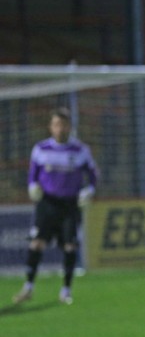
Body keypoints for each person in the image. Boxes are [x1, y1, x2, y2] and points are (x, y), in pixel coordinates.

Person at [13, 107, 98, 305]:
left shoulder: (81, 150)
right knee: (36, 244)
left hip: (70, 204)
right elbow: (32, 174)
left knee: (70, 246)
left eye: (64, 125)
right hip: (47, 203)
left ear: (70, 127)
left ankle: (66, 290)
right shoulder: (41, 149)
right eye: (57, 125)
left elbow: (93, 174)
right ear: (50, 127)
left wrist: (90, 190)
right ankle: (28, 287)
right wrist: (32, 185)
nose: (60, 129)